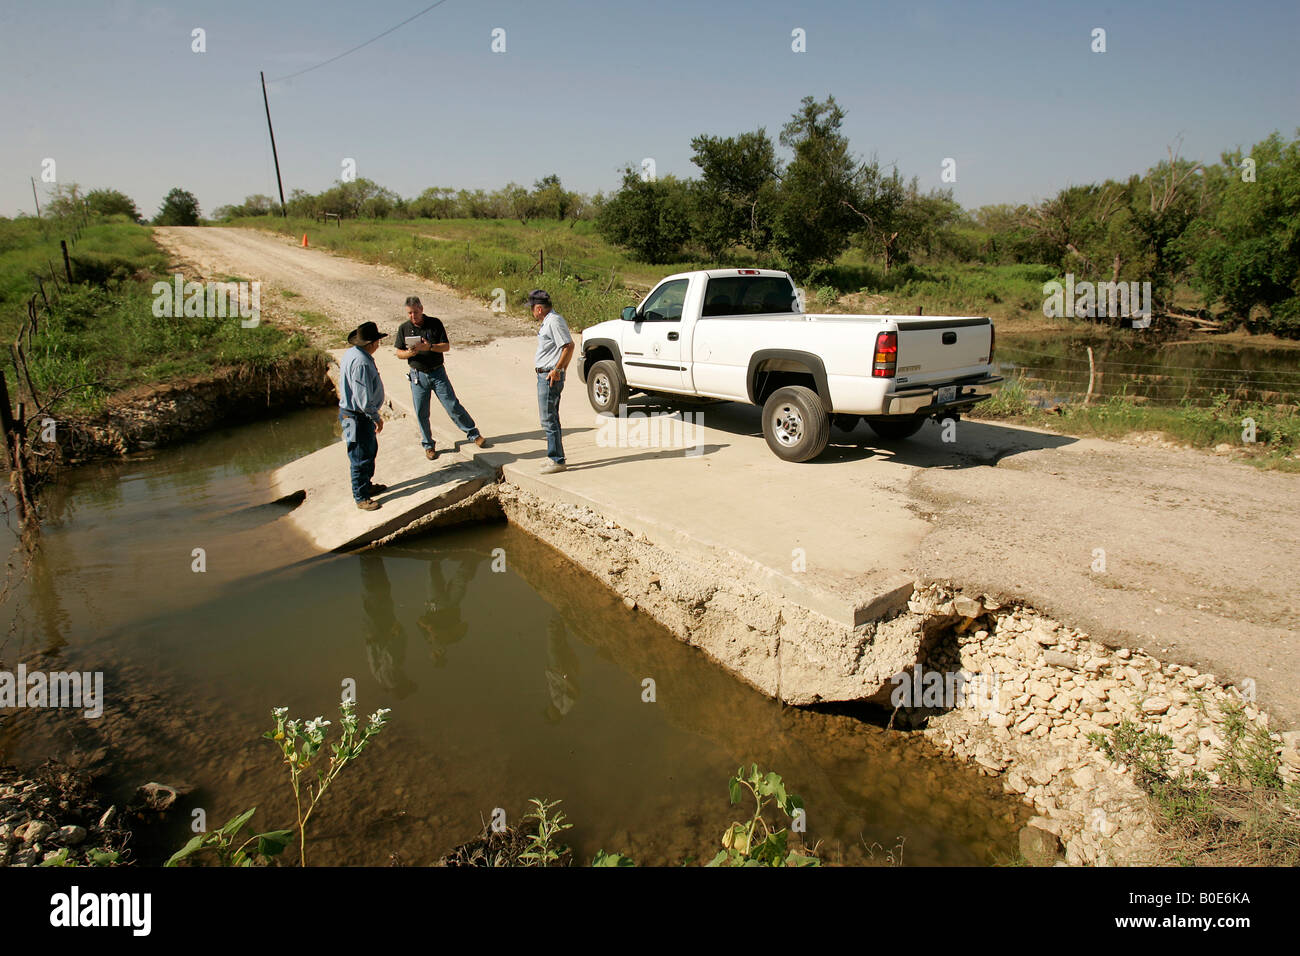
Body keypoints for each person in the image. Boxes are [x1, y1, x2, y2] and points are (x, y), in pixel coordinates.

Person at [393, 296, 488, 460]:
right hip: (417, 375)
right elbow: (398, 353)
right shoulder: (404, 328)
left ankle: (473, 434)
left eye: (415, 312)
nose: (413, 316)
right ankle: (428, 445)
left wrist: (428, 347)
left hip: (437, 373)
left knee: (452, 405)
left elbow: (446, 346)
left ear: (421, 309)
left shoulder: (435, 324)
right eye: (409, 313)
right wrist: (410, 353)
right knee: (421, 411)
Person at [339, 321, 388, 511]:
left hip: (349, 415)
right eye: (377, 341)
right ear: (371, 344)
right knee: (359, 455)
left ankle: (366, 485)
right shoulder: (361, 363)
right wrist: (375, 416)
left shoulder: (353, 354)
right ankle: (361, 496)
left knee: (367, 451)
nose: (378, 345)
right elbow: (362, 396)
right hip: (357, 417)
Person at [528, 289, 574, 473]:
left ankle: (557, 460)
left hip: (549, 376)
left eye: (532, 308)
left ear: (538, 309)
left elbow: (568, 346)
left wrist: (558, 370)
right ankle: (553, 456)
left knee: (548, 419)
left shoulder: (554, 322)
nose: (531, 311)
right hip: (546, 374)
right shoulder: (549, 321)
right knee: (550, 417)